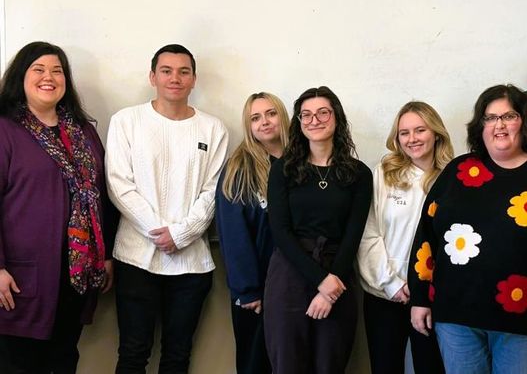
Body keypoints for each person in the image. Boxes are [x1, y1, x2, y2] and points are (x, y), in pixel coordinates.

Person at [408, 84, 527, 374]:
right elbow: (427, 239)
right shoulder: (457, 173)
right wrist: (420, 297)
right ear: (480, 126)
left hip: (526, 321)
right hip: (457, 316)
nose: (499, 125)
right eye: (490, 118)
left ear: (525, 122)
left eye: (509, 116)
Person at [105, 44, 228, 373]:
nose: (175, 78)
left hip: (191, 266)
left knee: (177, 356)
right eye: (167, 70)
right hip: (136, 259)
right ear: (152, 77)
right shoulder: (126, 121)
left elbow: (212, 191)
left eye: (183, 71)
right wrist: (159, 232)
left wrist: (181, 233)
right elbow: (119, 184)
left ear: (194, 80)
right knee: (133, 353)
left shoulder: (213, 129)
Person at [0, 41, 117, 373]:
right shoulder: (5, 130)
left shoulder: (83, 133)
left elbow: (102, 196)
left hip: (75, 275)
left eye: (57, 70)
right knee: (21, 364)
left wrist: (105, 254)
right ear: (20, 77)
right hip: (21, 278)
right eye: (38, 69)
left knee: (64, 360)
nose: (48, 77)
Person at [264, 86, 372, 374]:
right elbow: (280, 230)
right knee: (287, 364)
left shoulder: (358, 173)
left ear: (336, 117)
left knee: (330, 365)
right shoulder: (283, 169)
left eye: (323, 112)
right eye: (306, 115)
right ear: (299, 123)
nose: (315, 120)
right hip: (289, 273)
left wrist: (329, 290)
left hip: (338, 273)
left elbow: (353, 234)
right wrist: (320, 280)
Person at [357, 101, 452, 374]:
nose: (412, 139)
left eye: (420, 130)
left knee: (431, 367)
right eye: (404, 133)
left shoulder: (452, 177)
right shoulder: (385, 173)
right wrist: (393, 284)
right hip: (385, 293)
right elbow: (369, 233)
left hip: (434, 296)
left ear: (435, 133)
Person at [215, 92, 290, 374]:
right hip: (256, 291)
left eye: (271, 114)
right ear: (248, 126)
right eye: (255, 118)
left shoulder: (302, 163)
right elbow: (233, 236)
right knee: (255, 364)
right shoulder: (239, 168)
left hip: (296, 287)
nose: (264, 122)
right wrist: (247, 291)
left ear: (283, 117)